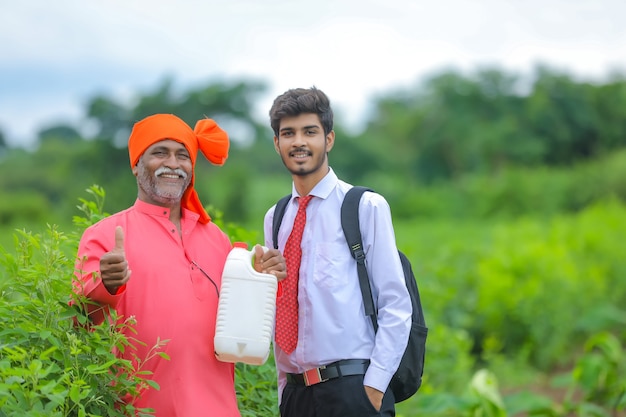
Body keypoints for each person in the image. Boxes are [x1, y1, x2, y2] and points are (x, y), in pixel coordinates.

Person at [73, 113, 286, 416]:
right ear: (136, 165)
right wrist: (106, 285)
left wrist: (264, 281)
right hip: (141, 409)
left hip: (219, 408)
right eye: (159, 152)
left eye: (182, 155)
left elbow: (242, 323)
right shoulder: (105, 235)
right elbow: (80, 323)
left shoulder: (216, 238)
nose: (172, 163)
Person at [263, 87, 412, 417]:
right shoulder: (275, 218)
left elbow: (396, 304)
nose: (298, 142)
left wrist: (374, 387)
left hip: (353, 390)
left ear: (328, 139)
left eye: (309, 132)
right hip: (296, 394)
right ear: (277, 144)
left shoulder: (363, 207)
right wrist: (283, 393)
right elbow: (282, 308)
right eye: (288, 133)